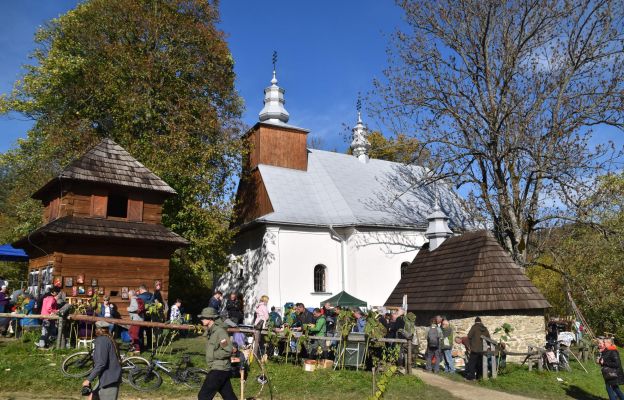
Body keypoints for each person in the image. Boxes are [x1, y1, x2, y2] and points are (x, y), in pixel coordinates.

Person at [197, 307, 237, 400]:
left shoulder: (220, 332)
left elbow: (228, 350)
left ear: (211, 319)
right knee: (229, 396)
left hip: (219, 369)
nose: (201, 319)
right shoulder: (211, 332)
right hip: (220, 369)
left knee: (203, 396)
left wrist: (214, 355)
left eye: (204, 318)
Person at [82, 321, 121, 400]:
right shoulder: (108, 338)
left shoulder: (102, 340)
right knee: (91, 398)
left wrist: (89, 379)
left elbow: (101, 363)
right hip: (107, 378)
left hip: (109, 380)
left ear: (97, 330)